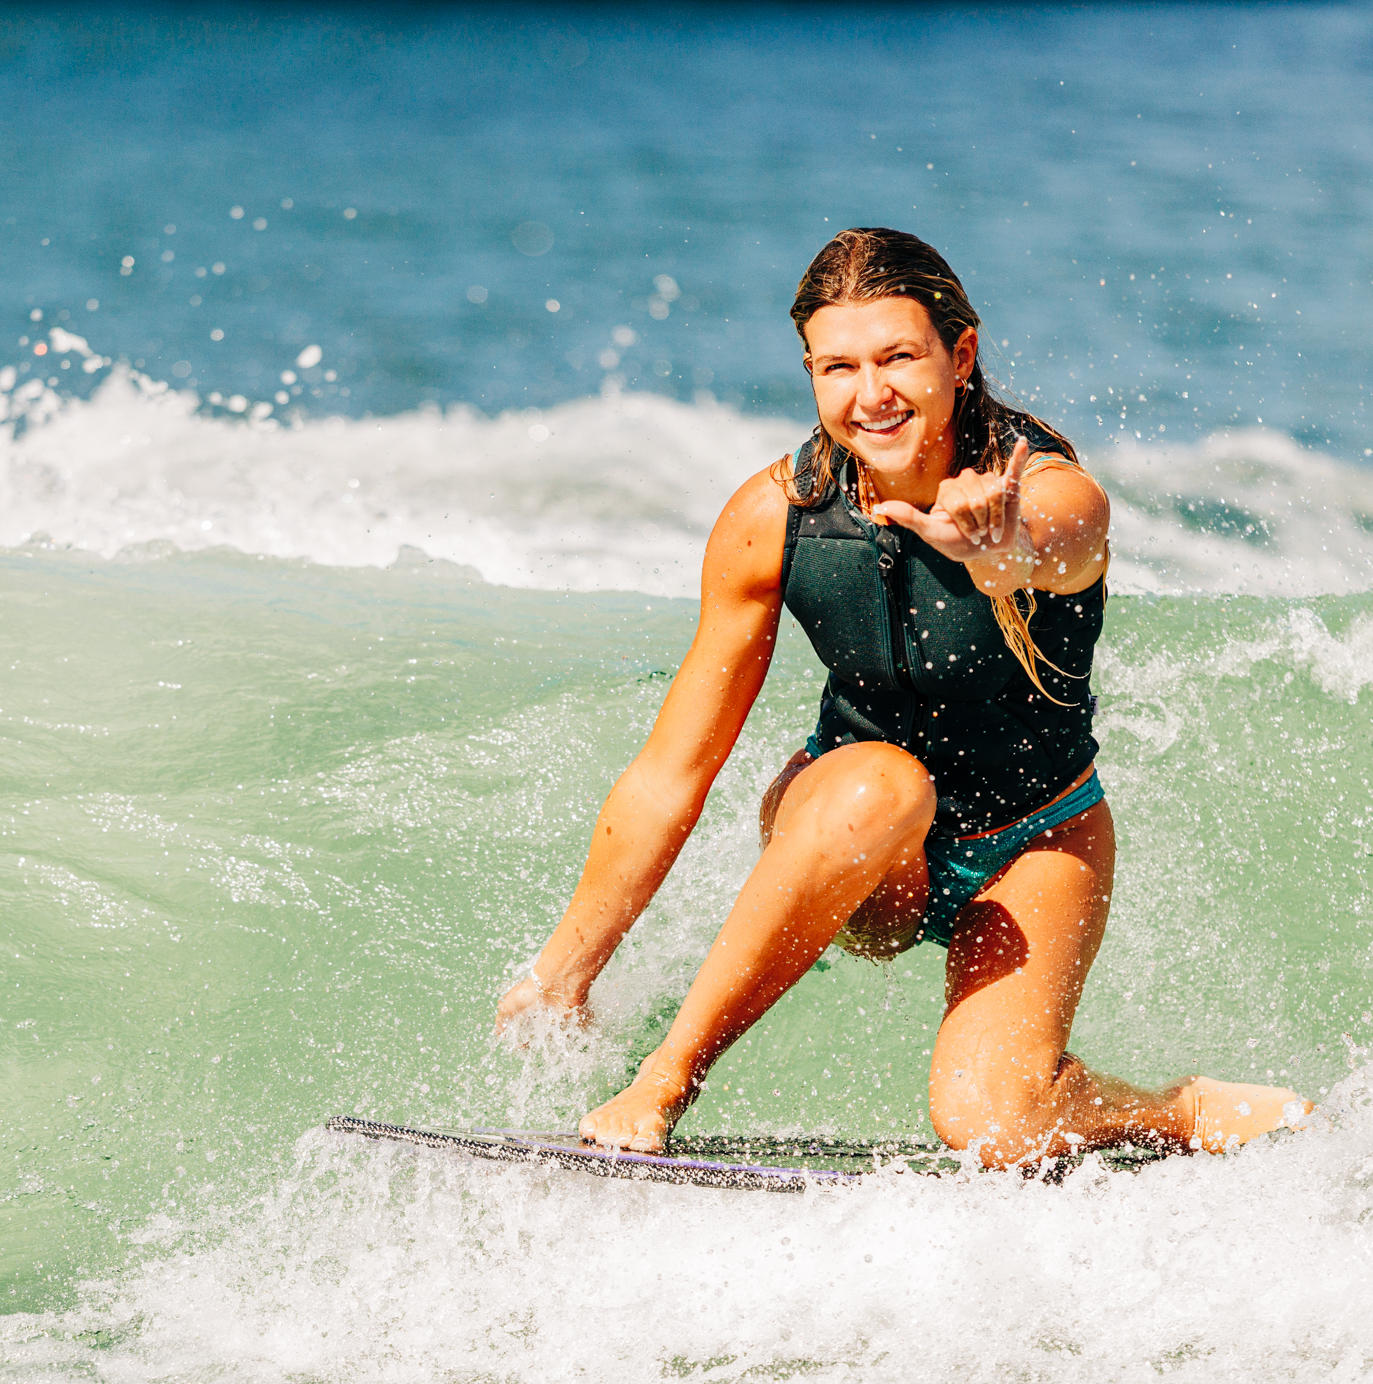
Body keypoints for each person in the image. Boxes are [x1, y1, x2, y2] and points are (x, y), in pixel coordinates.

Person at [495, 227, 1312, 1167]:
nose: (870, 394)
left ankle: (1183, 1114)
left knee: (994, 1123)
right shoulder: (775, 520)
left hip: (1035, 834)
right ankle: (663, 1080)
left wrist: (1001, 554)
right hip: (862, 840)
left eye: (898, 357)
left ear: (958, 356)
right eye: (837, 366)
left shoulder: (1044, 489)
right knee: (879, 785)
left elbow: (1067, 544)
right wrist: (565, 968)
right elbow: (671, 770)